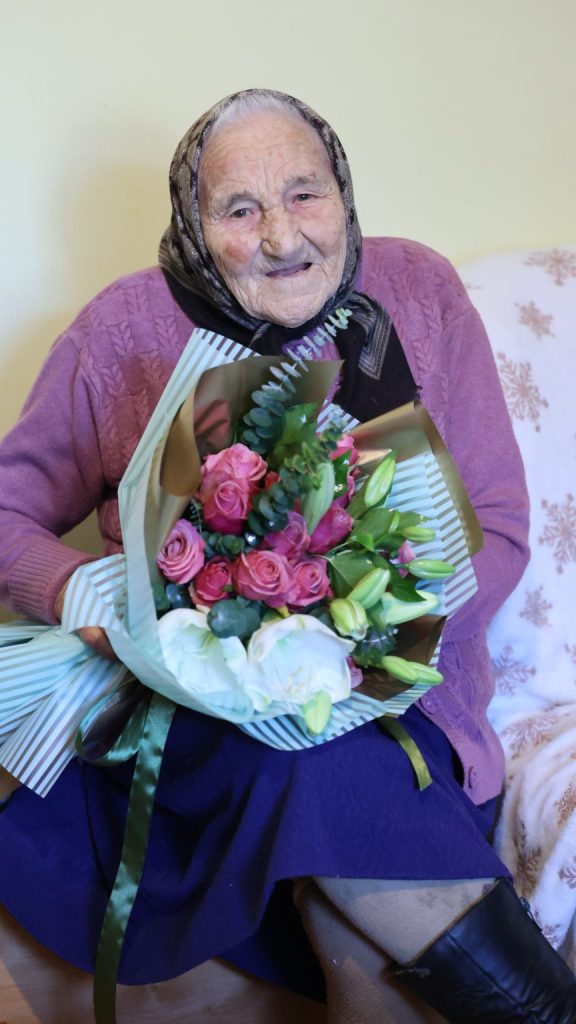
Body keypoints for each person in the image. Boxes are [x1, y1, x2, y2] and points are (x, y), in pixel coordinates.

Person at [0, 88, 573, 1024]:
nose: (281, 235)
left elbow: (501, 527)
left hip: (409, 707)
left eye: (305, 194)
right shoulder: (121, 330)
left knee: (332, 778)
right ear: (195, 225)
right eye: (239, 209)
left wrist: (372, 633)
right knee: (299, 767)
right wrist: (79, 593)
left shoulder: (418, 293)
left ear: (342, 192)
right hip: (208, 722)